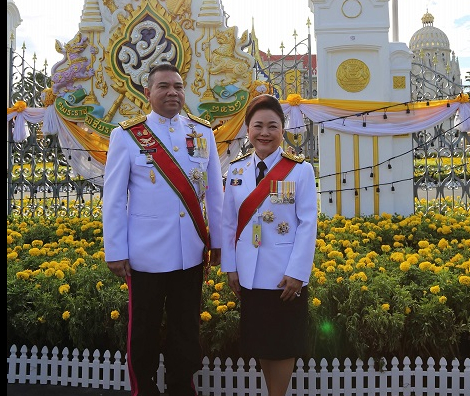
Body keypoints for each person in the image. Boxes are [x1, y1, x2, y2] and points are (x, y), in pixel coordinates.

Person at [102, 63, 223, 396]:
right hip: (146, 255)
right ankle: (145, 390)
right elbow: (113, 199)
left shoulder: (202, 132)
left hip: (191, 252)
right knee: (144, 329)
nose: (173, 92)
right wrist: (116, 250)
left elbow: (215, 193)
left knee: (186, 329)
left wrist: (220, 244)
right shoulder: (127, 136)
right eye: (164, 86)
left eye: (179, 86)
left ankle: (182, 388)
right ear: (147, 93)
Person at [220, 94, 318, 396]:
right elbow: (228, 223)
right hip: (249, 274)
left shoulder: (299, 170)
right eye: (258, 125)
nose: (265, 133)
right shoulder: (235, 171)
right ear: (248, 129)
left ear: (283, 129)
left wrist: (298, 272)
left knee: (283, 343)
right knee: (261, 341)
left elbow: (307, 224)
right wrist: (231, 268)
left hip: (284, 274)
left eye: (272, 126)